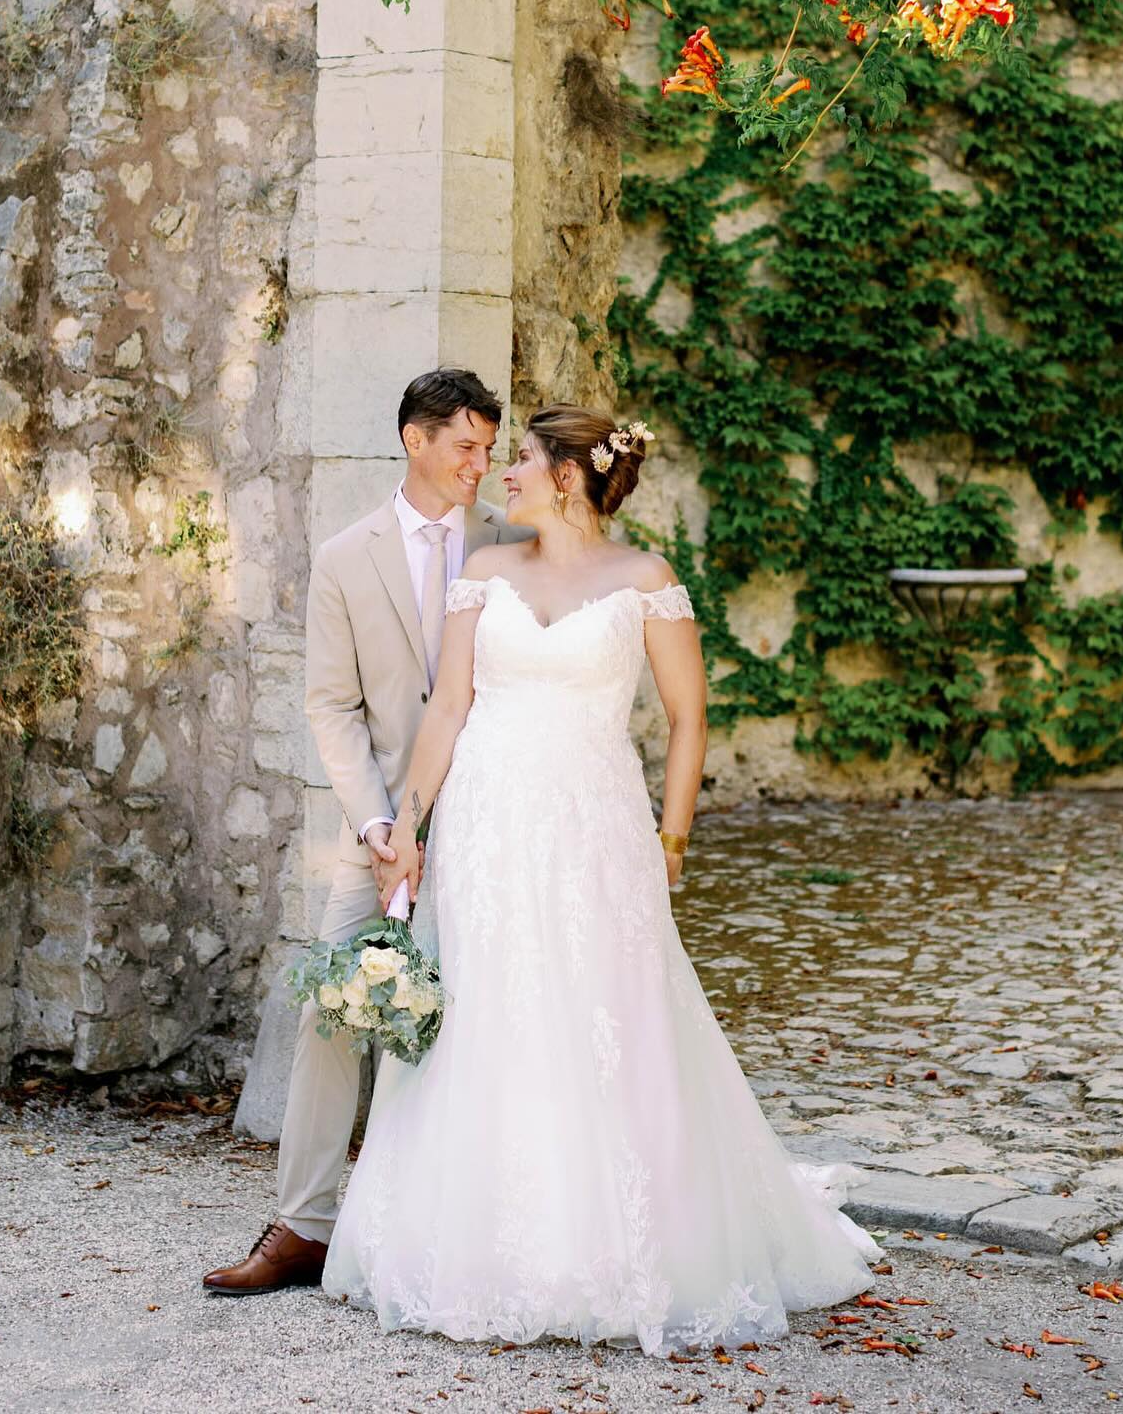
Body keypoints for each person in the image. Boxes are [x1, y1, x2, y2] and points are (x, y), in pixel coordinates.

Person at [321, 405, 881, 1353]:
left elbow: (688, 717)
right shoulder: (485, 573)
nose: (503, 473)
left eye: (522, 458)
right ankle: (482, 1245)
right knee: (492, 1010)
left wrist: (672, 840)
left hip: (597, 828)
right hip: (489, 827)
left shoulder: (646, 580)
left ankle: (625, 1239)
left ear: (568, 475)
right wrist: (408, 828)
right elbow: (449, 708)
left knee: (607, 1014)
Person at [203, 367, 526, 1295]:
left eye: (489, 449)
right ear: (415, 440)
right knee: (329, 1010)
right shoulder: (346, 556)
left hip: (493, 819)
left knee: (486, 1013)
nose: (480, 464)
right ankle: (303, 1226)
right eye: (465, 446)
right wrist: (381, 824)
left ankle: (476, 1224)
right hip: (380, 832)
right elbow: (331, 706)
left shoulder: (512, 544)